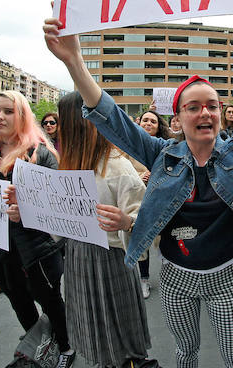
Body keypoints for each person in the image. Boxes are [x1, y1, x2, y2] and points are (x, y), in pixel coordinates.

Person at [43, 0, 233, 367]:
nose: (205, 113)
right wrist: (75, 63)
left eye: (212, 106)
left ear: (220, 114)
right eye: (193, 107)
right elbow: (112, 119)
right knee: (185, 354)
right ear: (179, 118)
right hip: (176, 280)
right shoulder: (161, 154)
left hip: (227, 279)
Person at [0, 91, 73, 367]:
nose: (0, 116)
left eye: (8, 111)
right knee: (19, 301)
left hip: (38, 251)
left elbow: (58, 207)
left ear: (22, 116)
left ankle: (65, 345)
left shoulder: (41, 155)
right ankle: (38, 341)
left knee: (49, 300)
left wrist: (25, 214)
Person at [56, 92, 153, 367]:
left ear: (77, 124)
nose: (59, 128)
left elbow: (143, 218)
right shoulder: (68, 166)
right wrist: (23, 209)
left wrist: (127, 222)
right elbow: (56, 221)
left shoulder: (117, 165)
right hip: (76, 257)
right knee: (91, 324)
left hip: (109, 259)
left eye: (63, 121)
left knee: (119, 330)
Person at [133, 109, 171, 299]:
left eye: (153, 122)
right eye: (145, 120)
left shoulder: (166, 148)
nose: (148, 123)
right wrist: (140, 176)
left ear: (158, 127)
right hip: (137, 200)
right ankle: (144, 279)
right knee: (142, 241)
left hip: (161, 200)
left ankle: (170, 276)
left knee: (164, 240)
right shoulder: (129, 147)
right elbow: (122, 170)